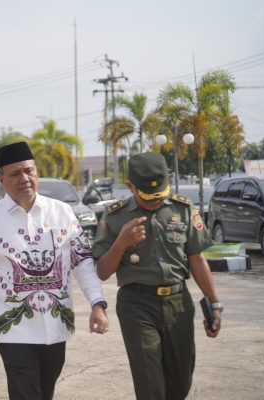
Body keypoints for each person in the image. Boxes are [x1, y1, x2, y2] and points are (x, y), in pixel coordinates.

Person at [0, 141, 109, 400]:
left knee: (44, 392)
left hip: (56, 326)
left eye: (29, 171)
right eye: (15, 174)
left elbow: (83, 261)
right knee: (26, 393)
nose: (25, 178)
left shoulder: (62, 212)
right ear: (2, 179)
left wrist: (98, 303)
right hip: (13, 328)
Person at [92, 152, 222, 400]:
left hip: (178, 303)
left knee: (180, 383)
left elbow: (197, 260)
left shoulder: (183, 208)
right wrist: (121, 243)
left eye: (159, 195)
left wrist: (214, 304)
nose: (155, 202)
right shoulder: (115, 216)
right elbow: (102, 271)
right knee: (150, 385)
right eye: (148, 197)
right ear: (130, 186)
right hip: (137, 305)